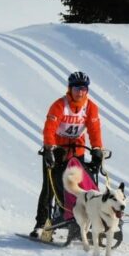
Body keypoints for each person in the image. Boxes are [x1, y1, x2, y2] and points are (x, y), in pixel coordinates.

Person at [31, 71, 105, 238]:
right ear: (70, 89)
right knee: (50, 187)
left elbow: (94, 130)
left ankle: (80, 220)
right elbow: (49, 129)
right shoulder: (59, 105)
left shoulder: (91, 107)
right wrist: (49, 148)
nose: (81, 92)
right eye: (77, 88)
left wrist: (97, 149)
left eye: (84, 89)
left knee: (80, 185)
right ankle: (41, 224)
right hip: (56, 151)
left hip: (77, 151)